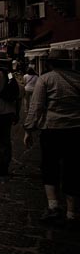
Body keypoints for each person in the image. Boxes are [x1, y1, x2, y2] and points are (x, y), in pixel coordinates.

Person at [23, 49, 80, 225]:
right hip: (76, 130)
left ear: (50, 63)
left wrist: (29, 128)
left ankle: (53, 206)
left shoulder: (46, 79)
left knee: (50, 167)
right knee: (73, 170)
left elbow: (37, 106)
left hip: (52, 129)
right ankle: (72, 213)